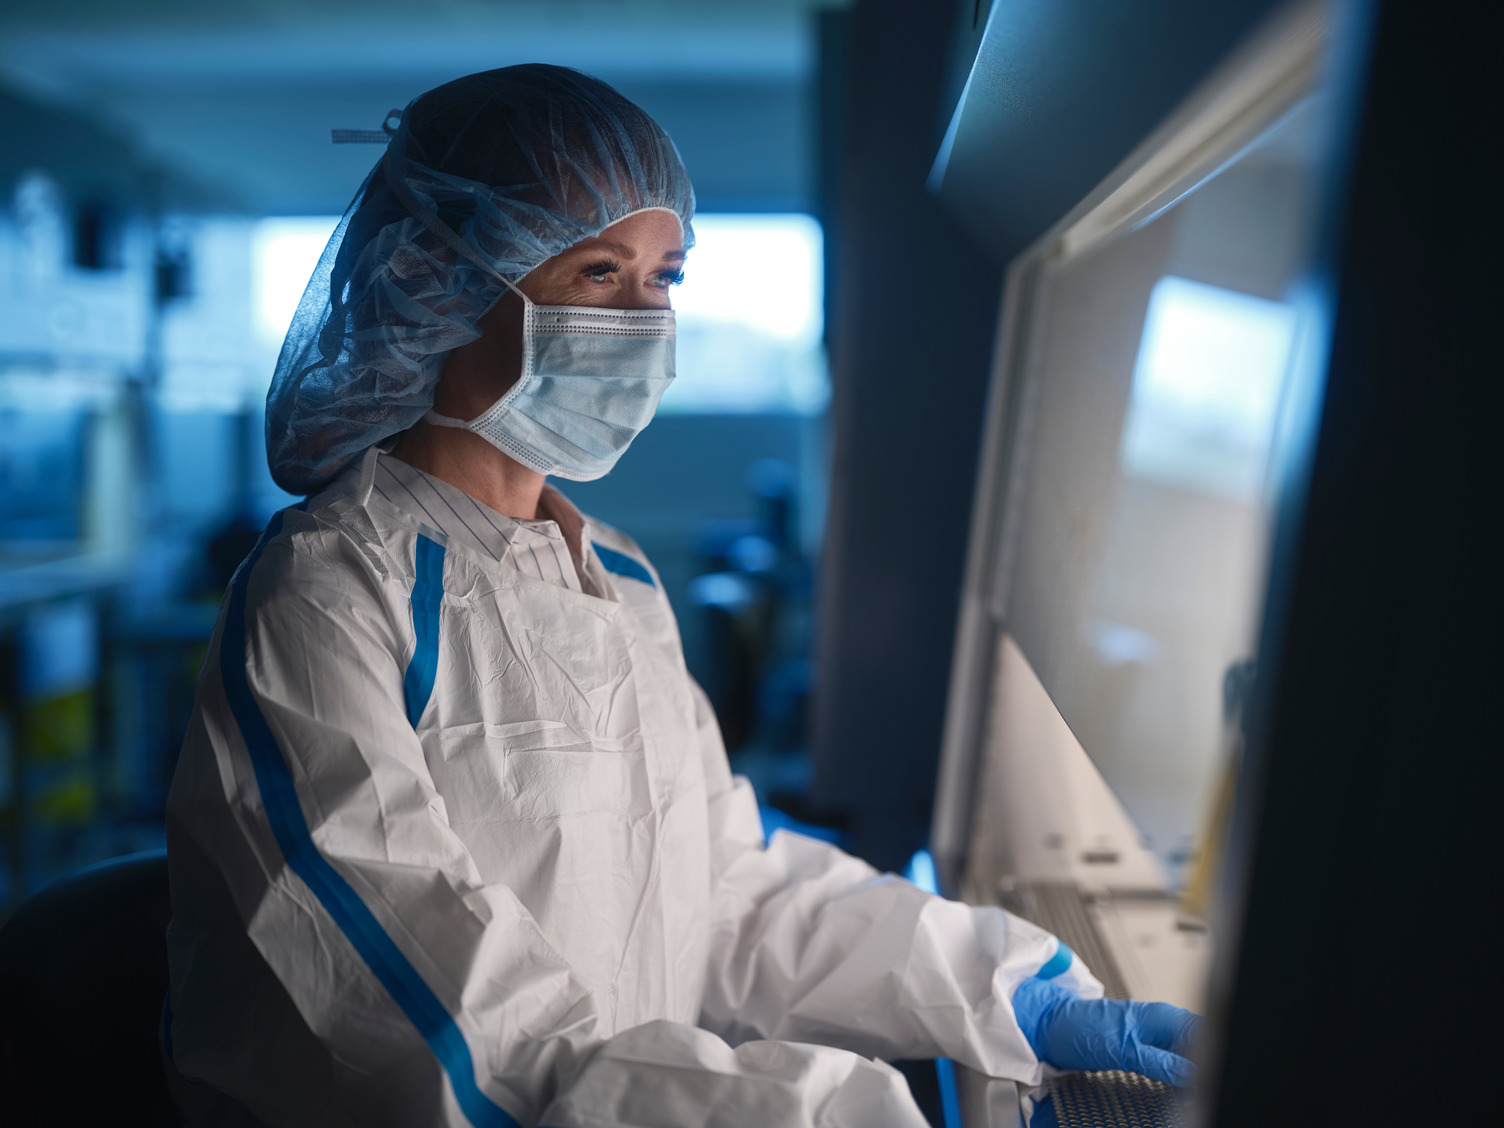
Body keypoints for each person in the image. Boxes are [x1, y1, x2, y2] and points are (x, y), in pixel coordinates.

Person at [162, 65, 1199, 1128]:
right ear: (440, 281)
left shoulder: (616, 579)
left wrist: (1015, 996)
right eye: (600, 272)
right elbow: (451, 1045)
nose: (643, 320)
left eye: (665, 277)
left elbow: (726, 892)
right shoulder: (329, 594)